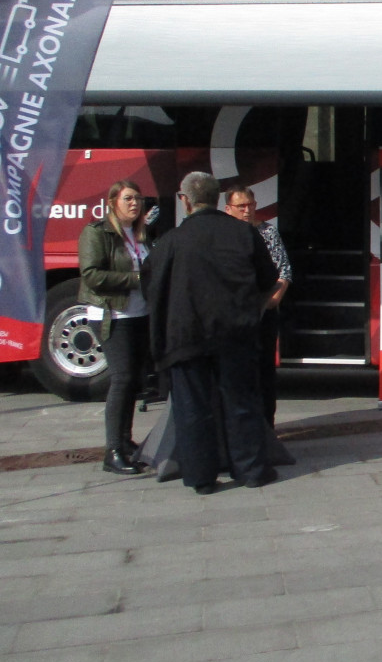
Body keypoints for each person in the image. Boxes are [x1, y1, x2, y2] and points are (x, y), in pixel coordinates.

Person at [143, 172, 279, 495]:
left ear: (185, 200)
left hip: (186, 337)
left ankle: (202, 477)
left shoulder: (171, 241)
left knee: (192, 408)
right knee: (242, 402)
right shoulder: (244, 234)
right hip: (236, 333)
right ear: (219, 199)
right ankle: (251, 470)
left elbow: (150, 284)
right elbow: (268, 277)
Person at [78, 180, 152, 475]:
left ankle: (125, 439)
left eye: (138, 199)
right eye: (129, 199)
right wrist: (136, 281)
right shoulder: (97, 233)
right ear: (113, 202)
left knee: (135, 379)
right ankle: (112, 451)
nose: (135, 204)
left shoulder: (141, 233)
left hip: (139, 314)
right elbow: (92, 275)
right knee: (122, 378)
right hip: (112, 315)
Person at [225, 186, 292, 429]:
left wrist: (275, 297)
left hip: (264, 313)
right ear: (228, 209)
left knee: (265, 371)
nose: (247, 210)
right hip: (234, 315)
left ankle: (267, 426)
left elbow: (284, 269)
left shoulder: (267, 232)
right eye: (241, 206)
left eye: (250, 205)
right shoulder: (224, 235)